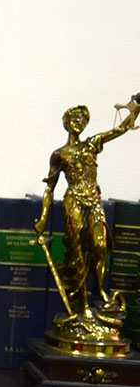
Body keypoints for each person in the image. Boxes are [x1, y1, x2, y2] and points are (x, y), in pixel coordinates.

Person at [34, 95, 140, 333]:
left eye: (83, 120)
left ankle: (100, 291)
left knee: (100, 244)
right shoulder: (59, 154)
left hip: (93, 200)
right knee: (79, 254)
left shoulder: (92, 144)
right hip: (73, 202)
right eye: (74, 118)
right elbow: (50, 188)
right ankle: (82, 305)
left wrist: (137, 108)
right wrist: (43, 218)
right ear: (66, 122)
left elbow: (121, 129)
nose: (79, 122)